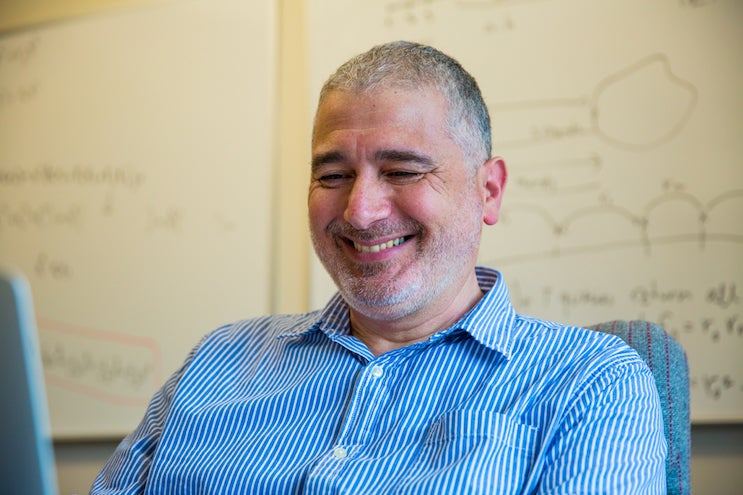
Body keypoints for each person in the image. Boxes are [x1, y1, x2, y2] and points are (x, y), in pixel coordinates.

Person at [91, 41, 666, 494]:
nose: (360, 211)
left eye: (403, 171)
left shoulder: (591, 385)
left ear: (488, 192)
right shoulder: (215, 362)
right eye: (333, 175)